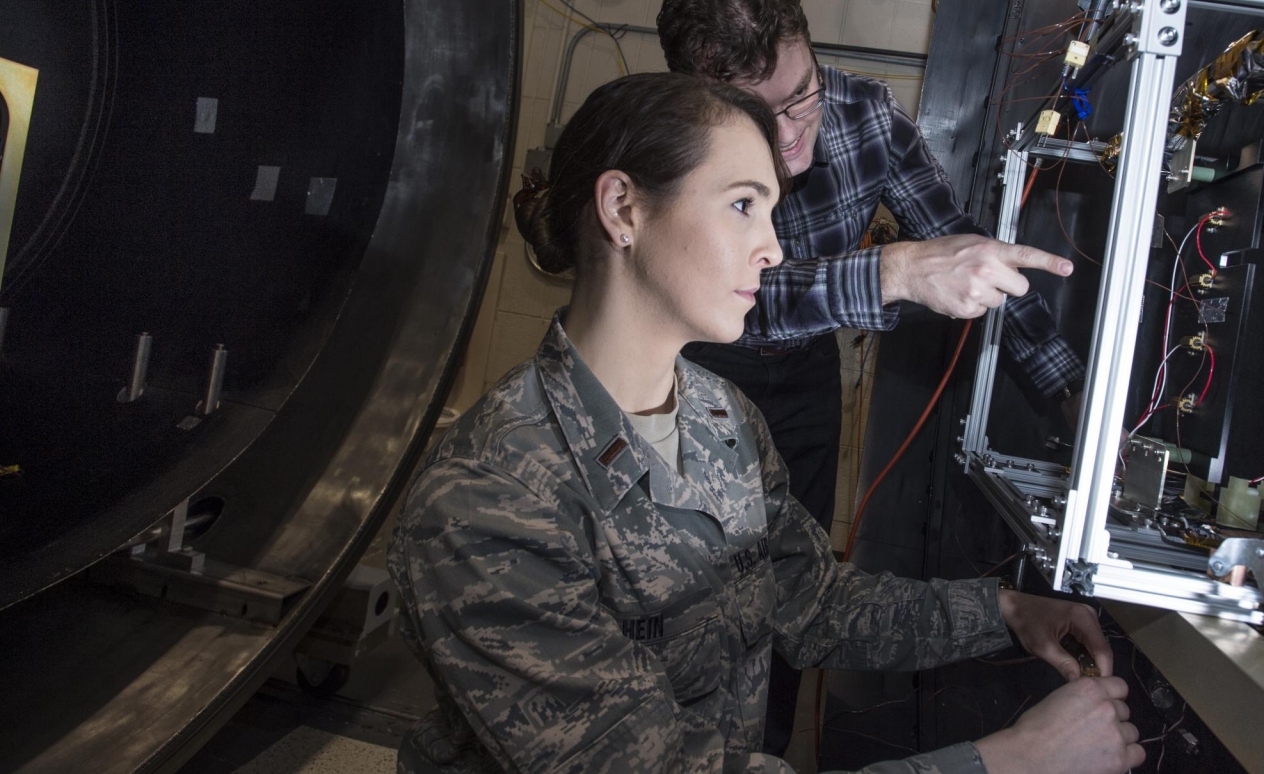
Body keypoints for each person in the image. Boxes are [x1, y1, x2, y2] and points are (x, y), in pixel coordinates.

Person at [388, 72, 1142, 774]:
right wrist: (1006, 761)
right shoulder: (491, 500)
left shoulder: (722, 416)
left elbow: (811, 600)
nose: (775, 247)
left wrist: (1007, 610)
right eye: (744, 204)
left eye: (773, 211)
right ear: (623, 209)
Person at [658, 0, 1090, 752]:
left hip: (803, 379)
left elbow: (959, 248)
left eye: (802, 96)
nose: (791, 140)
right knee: (679, 606)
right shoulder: (668, 147)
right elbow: (741, 301)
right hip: (694, 367)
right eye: (758, 118)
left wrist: (1068, 386)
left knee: (791, 595)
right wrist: (891, 270)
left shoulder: (864, 116)